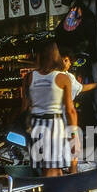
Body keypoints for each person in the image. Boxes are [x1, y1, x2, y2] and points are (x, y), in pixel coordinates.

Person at [22, 42, 77, 178]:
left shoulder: (29, 77)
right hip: (54, 125)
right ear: (56, 56)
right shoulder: (63, 78)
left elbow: (24, 105)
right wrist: (74, 133)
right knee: (52, 169)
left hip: (35, 125)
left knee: (51, 169)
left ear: (39, 56)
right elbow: (70, 110)